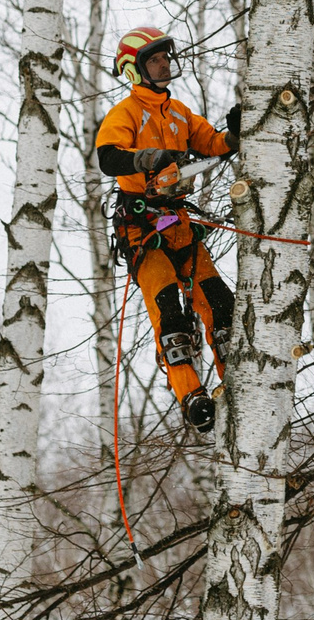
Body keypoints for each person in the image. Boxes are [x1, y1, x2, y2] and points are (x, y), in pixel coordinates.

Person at [95, 25, 240, 432]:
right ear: (134, 69)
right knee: (171, 316)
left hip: (179, 223)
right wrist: (147, 159)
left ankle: (238, 384)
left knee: (221, 305)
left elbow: (212, 143)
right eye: (154, 59)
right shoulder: (125, 113)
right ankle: (191, 396)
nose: (163, 64)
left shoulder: (178, 113)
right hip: (142, 230)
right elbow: (108, 157)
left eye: (165, 57)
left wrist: (236, 133)